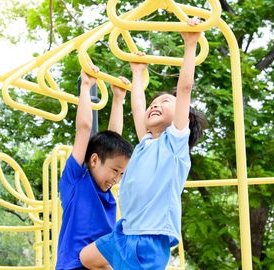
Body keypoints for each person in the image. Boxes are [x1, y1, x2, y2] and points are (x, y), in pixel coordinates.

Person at [79, 17, 207, 269]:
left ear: (183, 118)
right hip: (124, 232)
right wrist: (137, 71)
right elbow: (138, 106)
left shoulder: (174, 144)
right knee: (87, 258)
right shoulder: (146, 142)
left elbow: (184, 90)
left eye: (165, 103)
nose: (155, 105)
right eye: (154, 103)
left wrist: (190, 45)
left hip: (149, 238)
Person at [56, 65, 134, 270]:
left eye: (121, 173)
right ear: (93, 160)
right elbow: (83, 129)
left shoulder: (107, 194)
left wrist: (118, 99)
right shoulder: (76, 181)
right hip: (73, 265)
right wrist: (86, 85)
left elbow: (114, 139)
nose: (117, 179)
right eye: (115, 171)